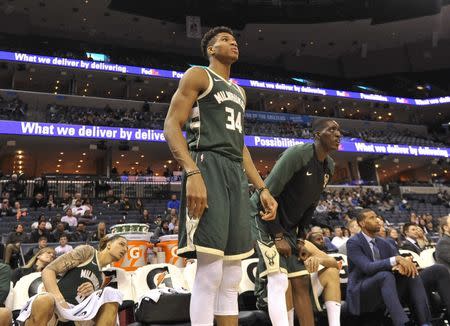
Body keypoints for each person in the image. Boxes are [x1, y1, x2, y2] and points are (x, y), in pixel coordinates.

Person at [163, 26, 277, 326]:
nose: (233, 42)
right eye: (225, 40)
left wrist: (262, 188)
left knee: (232, 275)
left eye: (235, 39)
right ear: (211, 49)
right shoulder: (198, 75)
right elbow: (172, 125)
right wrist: (193, 171)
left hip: (234, 174)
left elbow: (241, 148)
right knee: (210, 270)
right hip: (207, 163)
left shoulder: (240, 91)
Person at [251, 118, 341, 326]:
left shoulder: (329, 165)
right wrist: (278, 235)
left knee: (300, 281)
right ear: (317, 135)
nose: (338, 134)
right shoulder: (297, 153)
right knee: (279, 279)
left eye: (340, 131)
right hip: (262, 218)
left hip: (289, 227)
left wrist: (300, 237)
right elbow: (267, 195)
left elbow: (311, 204)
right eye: (332, 130)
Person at [17, 235, 127, 325]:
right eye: (122, 244)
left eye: (127, 248)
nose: (125, 249)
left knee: (111, 297)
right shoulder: (88, 252)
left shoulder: (102, 277)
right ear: (108, 244)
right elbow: (49, 270)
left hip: (76, 314)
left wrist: (91, 293)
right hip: (56, 306)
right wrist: (60, 300)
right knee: (45, 300)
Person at [346, 209, 431, 326]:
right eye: (371, 218)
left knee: (412, 273)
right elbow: (367, 267)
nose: (377, 220)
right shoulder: (353, 242)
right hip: (361, 289)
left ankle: (425, 322)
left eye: (376, 217)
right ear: (362, 223)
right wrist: (395, 260)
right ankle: (402, 323)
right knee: (385, 275)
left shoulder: (384, 243)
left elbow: (398, 262)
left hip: (386, 285)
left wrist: (404, 265)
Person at [400, 222, 450, 316]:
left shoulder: (418, 243)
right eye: (413, 229)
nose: (416, 231)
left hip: (424, 270)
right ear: (406, 232)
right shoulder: (406, 245)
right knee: (439, 271)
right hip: (415, 273)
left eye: (416, 229)